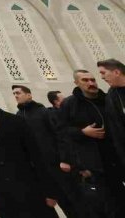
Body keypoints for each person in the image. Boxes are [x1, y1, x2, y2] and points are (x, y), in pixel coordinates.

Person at [0, 83, 55, 217]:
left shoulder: (15, 120)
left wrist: (49, 190)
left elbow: (35, 155)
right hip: (1, 190)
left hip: (28, 185)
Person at [58, 68, 125, 217]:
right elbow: (62, 131)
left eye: (92, 80)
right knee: (107, 206)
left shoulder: (108, 99)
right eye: (85, 80)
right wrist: (82, 132)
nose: (91, 83)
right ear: (76, 83)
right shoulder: (70, 104)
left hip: (116, 158)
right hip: (93, 164)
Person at [11, 84, 74, 218]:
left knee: (70, 202)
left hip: (56, 166)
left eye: (18, 93)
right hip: (39, 171)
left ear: (29, 95)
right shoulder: (18, 116)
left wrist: (64, 159)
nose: (16, 96)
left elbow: (59, 136)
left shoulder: (43, 112)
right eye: (14, 94)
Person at [97, 59, 125, 167]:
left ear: (117, 72)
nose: (102, 77)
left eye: (103, 73)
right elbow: (116, 129)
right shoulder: (111, 96)